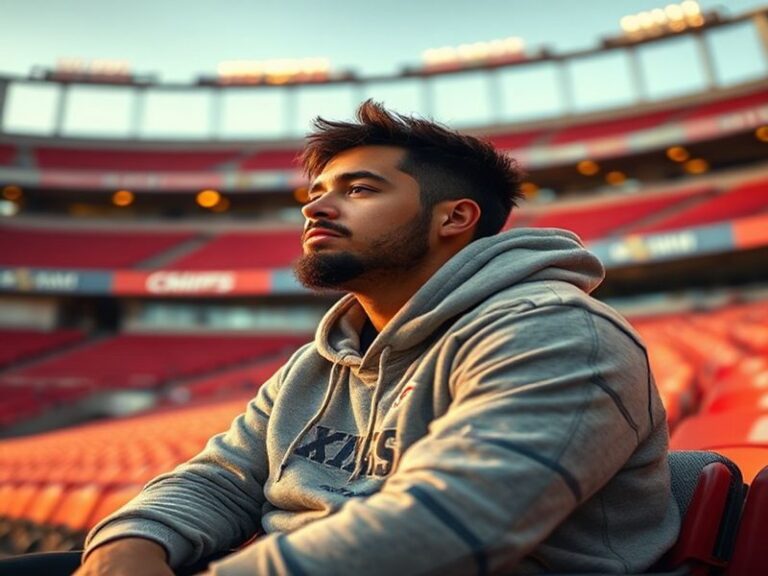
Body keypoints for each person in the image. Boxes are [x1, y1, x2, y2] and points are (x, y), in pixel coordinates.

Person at [74, 101, 679, 575]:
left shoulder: (556, 330)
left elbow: (454, 525)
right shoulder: (317, 363)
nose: (316, 209)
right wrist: (127, 547)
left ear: (455, 218)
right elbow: (221, 479)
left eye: (359, 190)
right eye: (316, 194)